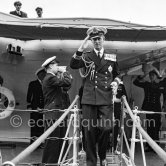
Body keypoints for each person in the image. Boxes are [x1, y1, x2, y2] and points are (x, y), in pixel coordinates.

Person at [70, 26, 121, 166]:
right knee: (89, 131)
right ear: (91, 41)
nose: (97, 42)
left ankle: (102, 155)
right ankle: (91, 162)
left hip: (105, 98)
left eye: (99, 39)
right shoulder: (86, 55)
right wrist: (81, 47)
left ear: (104, 39)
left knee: (106, 128)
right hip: (89, 98)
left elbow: (118, 74)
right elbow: (73, 64)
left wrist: (115, 82)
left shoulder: (112, 57)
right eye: (94, 40)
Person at [41, 56, 72, 166]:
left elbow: (66, 86)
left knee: (59, 139)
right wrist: (65, 72)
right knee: (53, 141)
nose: (58, 67)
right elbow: (67, 82)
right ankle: (49, 163)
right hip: (53, 113)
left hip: (58, 113)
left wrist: (63, 75)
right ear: (50, 66)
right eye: (56, 65)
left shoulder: (52, 78)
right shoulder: (50, 78)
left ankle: (59, 161)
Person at [133, 69, 162, 152]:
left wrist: (161, 76)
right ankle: (149, 146)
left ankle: (156, 147)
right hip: (148, 108)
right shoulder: (147, 84)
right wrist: (142, 76)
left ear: (156, 76)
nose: (151, 77)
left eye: (153, 75)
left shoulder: (160, 84)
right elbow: (135, 82)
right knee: (149, 127)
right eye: (150, 75)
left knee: (156, 128)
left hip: (156, 109)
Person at [26, 68, 46, 144]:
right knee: (34, 126)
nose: (43, 76)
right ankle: (33, 143)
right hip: (35, 108)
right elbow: (29, 98)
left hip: (44, 108)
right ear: (38, 75)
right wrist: (34, 107)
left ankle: (40, 143)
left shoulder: (46, 83)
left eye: (44, 74)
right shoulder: (33, 84)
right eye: (42, 74)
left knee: (41, 126)